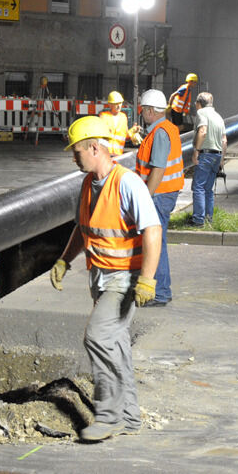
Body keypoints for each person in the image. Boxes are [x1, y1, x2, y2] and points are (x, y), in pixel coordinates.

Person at [48, 116, 162, 441]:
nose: (73, 157)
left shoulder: (127, 183)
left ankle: (108, 416)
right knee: (117, 346)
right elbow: (83, 230)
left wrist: (148, 279)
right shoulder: (88, 185)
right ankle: (128, 418)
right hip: (100, 278)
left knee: (97, 337)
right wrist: (64, 260)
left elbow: (153, 230)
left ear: (95, 148)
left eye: (76, 151)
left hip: (124, 278)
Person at [135, 89, 183, 306]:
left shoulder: (160, 133)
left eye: (144, 109)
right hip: (164, 193)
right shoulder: (165, 129)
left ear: (151, 111)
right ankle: (158, 288)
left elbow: (158, 168)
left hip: (159, 195)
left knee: (156, 243)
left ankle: (161, 292)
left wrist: (146, 196)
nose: (142, 113)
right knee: (156, 242)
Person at [189, 91, 227, 227]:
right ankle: (208, 219)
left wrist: (196, 151)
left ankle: (198, 220)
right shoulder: (218, 116)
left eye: (195, 103)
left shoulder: (201, 113)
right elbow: (224, 140)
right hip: (217, 156)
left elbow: (203, 131)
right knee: (208, 189)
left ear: (199, 104)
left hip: (205, 155)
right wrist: (222, 159)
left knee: (198, 187)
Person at [98, 91, 129, 156]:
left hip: (118, 154)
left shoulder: (123, 117)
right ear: (110, 104)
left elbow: (125, 135)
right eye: (116, 103)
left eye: (120, 103)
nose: (118, 106)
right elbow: (98, 137)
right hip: (105, 154)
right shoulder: (104, 117)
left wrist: (133, 133)